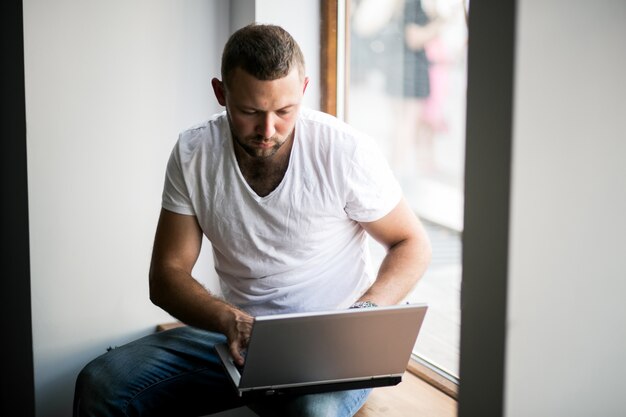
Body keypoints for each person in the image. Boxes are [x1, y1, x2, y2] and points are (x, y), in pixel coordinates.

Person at [73, 24, 431, 417]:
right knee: (101, 382)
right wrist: (230, 321)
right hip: (236, 337)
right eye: (249, 112)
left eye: (284, 111)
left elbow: (411, 242)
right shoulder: (194, 152)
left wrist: (364, 315)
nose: (268, 129)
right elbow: (166, 276)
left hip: (331, 348)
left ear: (304, 90)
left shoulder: (344, 151)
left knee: (313, 414)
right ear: (221, 93)